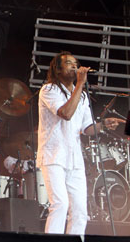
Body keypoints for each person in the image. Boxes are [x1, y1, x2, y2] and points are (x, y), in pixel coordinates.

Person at [37, 51, 124, 234]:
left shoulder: (82, 97)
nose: (74, 66)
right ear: (58, 69)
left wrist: (102, 125)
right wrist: (81, 84)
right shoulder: (49, 90)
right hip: (54, 155)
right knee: (60, 204)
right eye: (68, 63)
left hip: (75, 159)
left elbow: (86, 128)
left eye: (75, 63)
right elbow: (66, 114)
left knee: (80, 211)